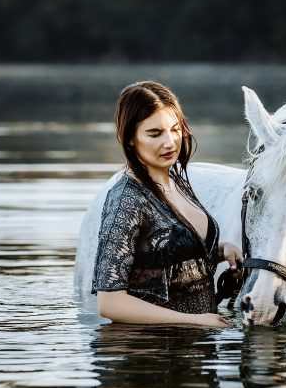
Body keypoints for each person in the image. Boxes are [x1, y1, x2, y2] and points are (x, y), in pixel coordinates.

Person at [91, 81, 242, 328]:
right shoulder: (126, 200)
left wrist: (222, 250)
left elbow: (166, 257)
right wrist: (193, 322)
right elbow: (110, 303)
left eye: (175, 129)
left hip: (194, 347)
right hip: (150, 351)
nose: (170, 142)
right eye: (155, 133)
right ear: (130, 138)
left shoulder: (176, 182)